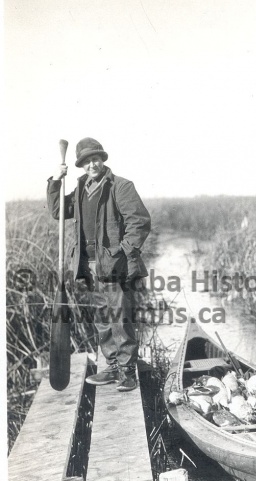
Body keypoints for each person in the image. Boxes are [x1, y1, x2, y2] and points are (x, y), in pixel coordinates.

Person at [47, 137, 151, 391]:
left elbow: (140, 222)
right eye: (86, 161)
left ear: (102, 160)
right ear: (81, 165)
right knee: (103, 317)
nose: (91, 165)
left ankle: (127, 371)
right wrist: (55, 181)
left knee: (119, 317)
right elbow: (59, 211)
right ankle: (113, 366)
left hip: (116, 265)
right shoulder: (82, 186)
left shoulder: (121, 186)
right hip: (90, 264)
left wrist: (122, 252)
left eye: (95, 159)